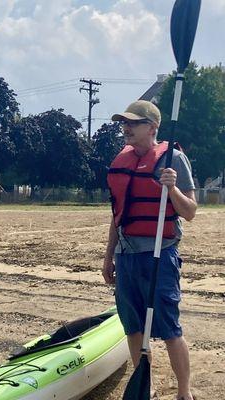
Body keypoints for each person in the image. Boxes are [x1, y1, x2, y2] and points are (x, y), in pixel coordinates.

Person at [102, 100, 197, 400]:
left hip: (160, 254)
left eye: (133, 123)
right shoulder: (122, 160)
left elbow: (191, 211)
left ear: (152, 127)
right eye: (124, 123)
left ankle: (184, 391)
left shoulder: (173, 159)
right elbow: (117, 215)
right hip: (127, 256)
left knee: (169, 328)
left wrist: (173, 188)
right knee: (133, 327)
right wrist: (108, 256)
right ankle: (148, 384)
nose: (126, 128)